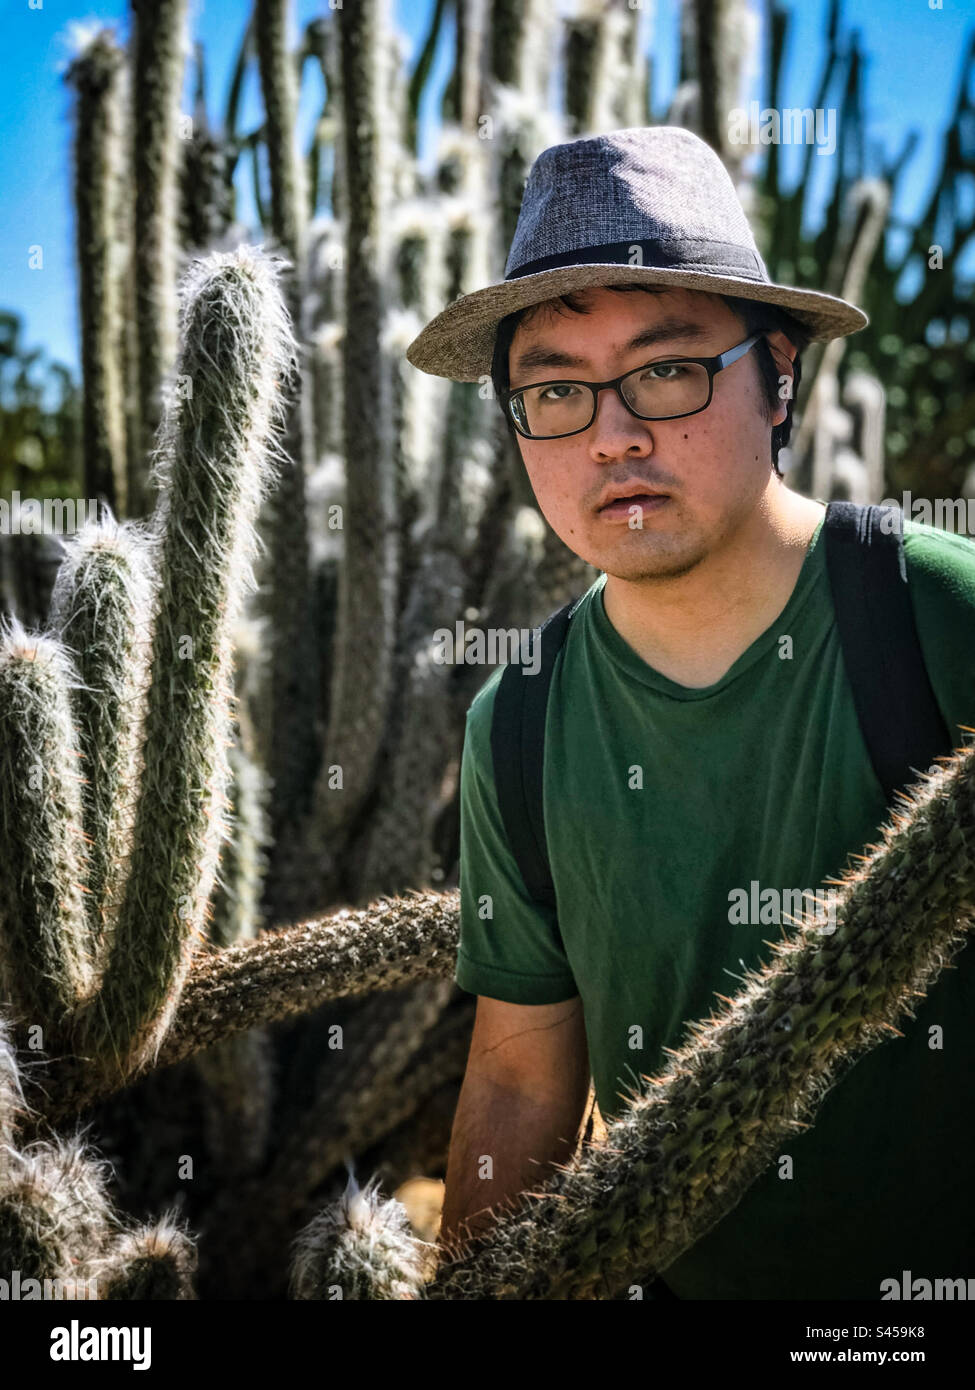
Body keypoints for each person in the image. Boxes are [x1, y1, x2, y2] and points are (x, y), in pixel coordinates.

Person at [405, 126, 975, 1299]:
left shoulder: (940, 619)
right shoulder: (518, 721)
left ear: (779, 376)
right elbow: (520, 1083)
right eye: (555, 391)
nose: (612, 433)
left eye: (666, 370)